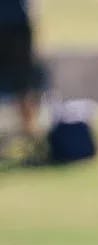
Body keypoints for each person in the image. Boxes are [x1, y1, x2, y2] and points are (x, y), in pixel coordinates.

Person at [0, 0, 44, 142]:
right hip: (17, 21)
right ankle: (31, 136)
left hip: (16, 23)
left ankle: (31, 136)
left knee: (23, 84)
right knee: (23, 84)